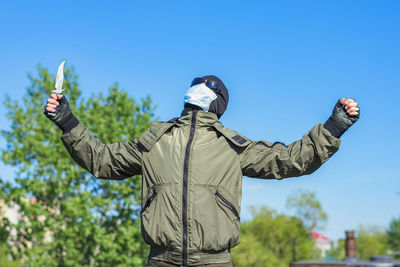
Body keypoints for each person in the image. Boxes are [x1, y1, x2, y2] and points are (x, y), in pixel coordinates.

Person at [44, 75, 360, 267]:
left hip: (214, 262)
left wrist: (334, 126)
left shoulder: (233, 147)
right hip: (162, 260)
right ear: (219, 105)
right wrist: (67, 122)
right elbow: (103, 160)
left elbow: (290, 160)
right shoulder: (155, 141)